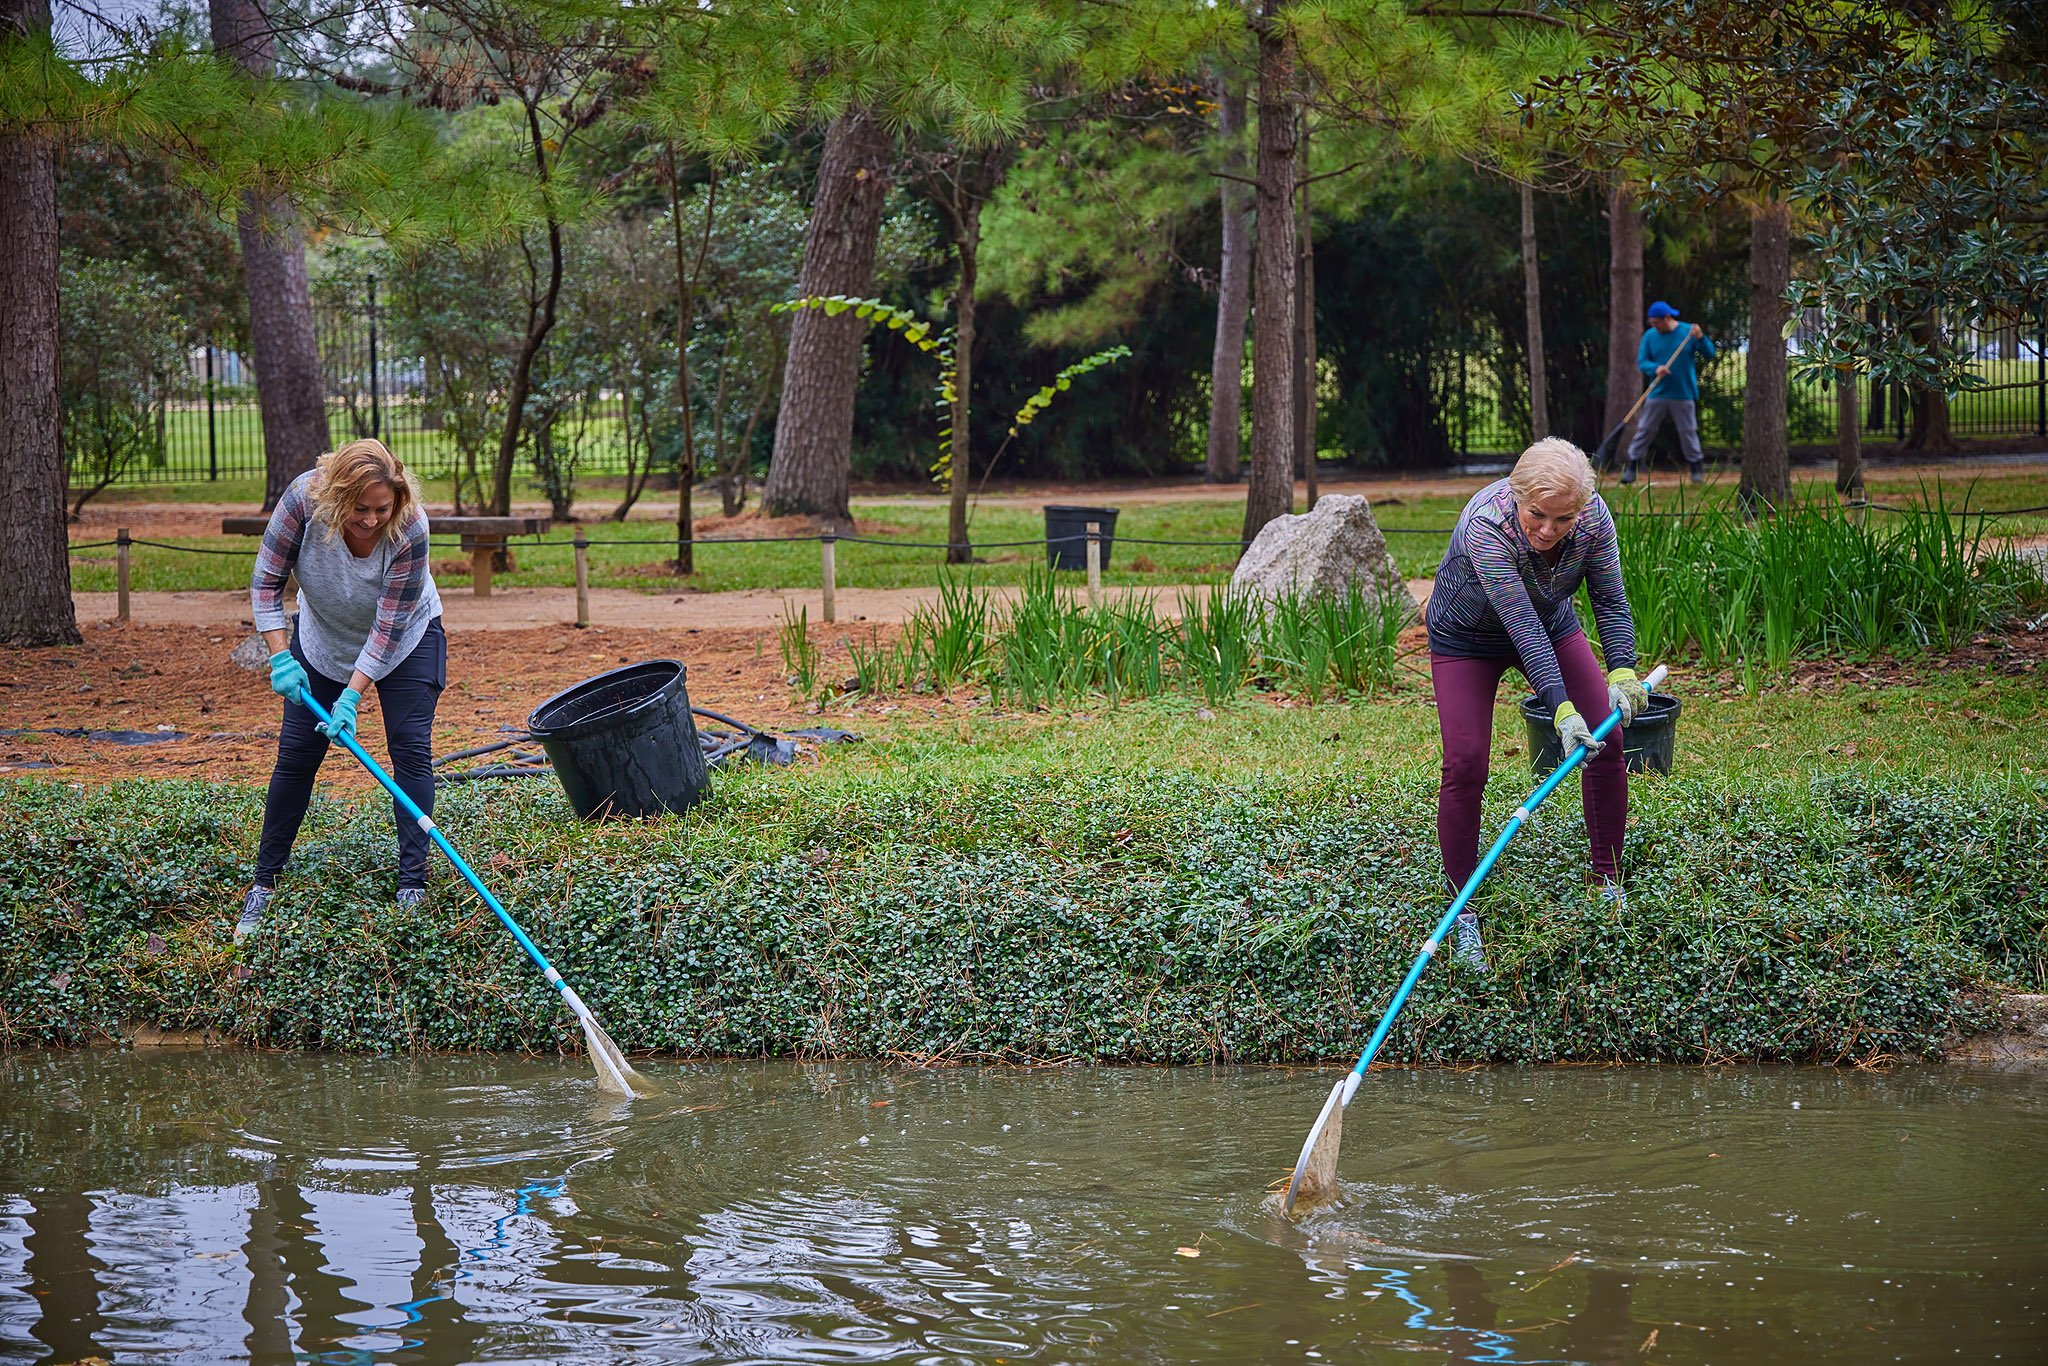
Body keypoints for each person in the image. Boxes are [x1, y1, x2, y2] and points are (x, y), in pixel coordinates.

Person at [1426, 438, 1647, 972]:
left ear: (1582, 507)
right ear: (1517, 495)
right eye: (1538, 515)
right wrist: (1560, 709)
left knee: (1608, 738)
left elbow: (1610, 599)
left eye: (1563, 518)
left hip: (1552, 624)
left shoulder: (1594, 519)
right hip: (1467, 639)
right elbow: (1518, 625)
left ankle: (1607, 884)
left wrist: (1621, 667)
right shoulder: (1487, 523)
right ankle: (1464, 913)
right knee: (1466, 762)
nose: (1549, 530)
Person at [235, 439, 446, 941]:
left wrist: (352, 695)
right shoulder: (302, 502)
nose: (372, 520)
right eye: (360, 509)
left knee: (410, 749)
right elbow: (266, 583)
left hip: (407, 638)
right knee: (296, 756)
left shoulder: (411, 526)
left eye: (381, 509)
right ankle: (265, 883)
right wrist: (281, 656)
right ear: (334, 497)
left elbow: (389, 625)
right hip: (321, 636)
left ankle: (411, 885)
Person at [1620, 300, 1717, 485]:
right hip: (1657, 392)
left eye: (1656, 322)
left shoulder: (1688, 332)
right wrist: (1656, 368)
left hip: (1683, 393)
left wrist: (1701, 337)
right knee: (1645, 429)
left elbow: (1710, 354)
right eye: (1651, 322)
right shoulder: (1650, 336)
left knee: (1688, 431)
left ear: (1667, 318)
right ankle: (1632, 467)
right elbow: (1642, 362)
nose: (1653, 325)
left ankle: (1696, 469)